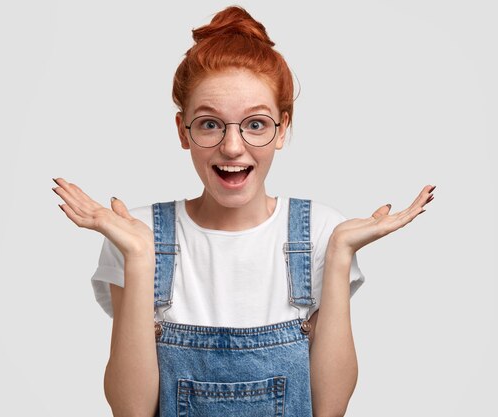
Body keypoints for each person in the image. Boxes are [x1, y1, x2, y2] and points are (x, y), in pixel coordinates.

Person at [52, 5, 435, 417]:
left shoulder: (320, 232)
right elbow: (131, 411)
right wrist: (141, 259)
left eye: (255, 124)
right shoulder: (135, 234)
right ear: (183, 131)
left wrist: (340, 252)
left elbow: (329, 409)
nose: (232, 147)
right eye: (210, 124)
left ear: (283, 129)